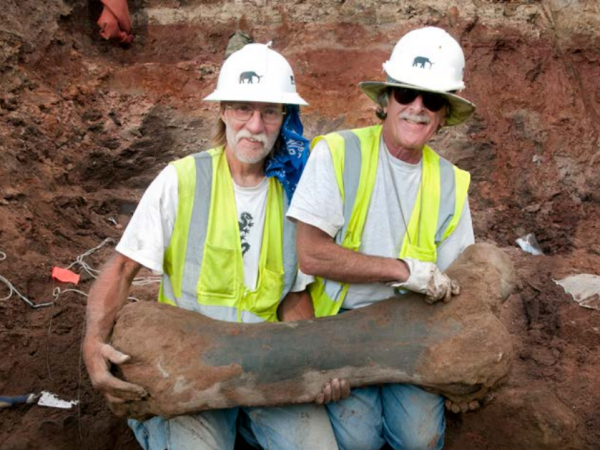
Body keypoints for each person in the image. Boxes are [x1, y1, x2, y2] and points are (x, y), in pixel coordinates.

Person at [83, 43, 343, 450]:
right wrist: (92, 341)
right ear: (222, 110)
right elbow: (121, 269)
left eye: (269, 112)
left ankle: (241, 426)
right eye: (243, 108)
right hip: (192, 362)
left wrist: (315, 363)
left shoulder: (295, 192)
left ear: (283, 119)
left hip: (264, 361)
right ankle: (155, 424)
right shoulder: (182, 180)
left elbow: (294, 297)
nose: (255, 126)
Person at [288, 27, 477, 450]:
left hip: (410, 333)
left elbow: (460, 271)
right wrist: (402, 271)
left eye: (431, 101)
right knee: (358, 439)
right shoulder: (337, 153)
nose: (417, 109)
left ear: (444, 114)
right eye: (405, 95)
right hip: (338, 328)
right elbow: (311, 254)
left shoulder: (449, 181)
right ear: (385, 100)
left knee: (420, 438)